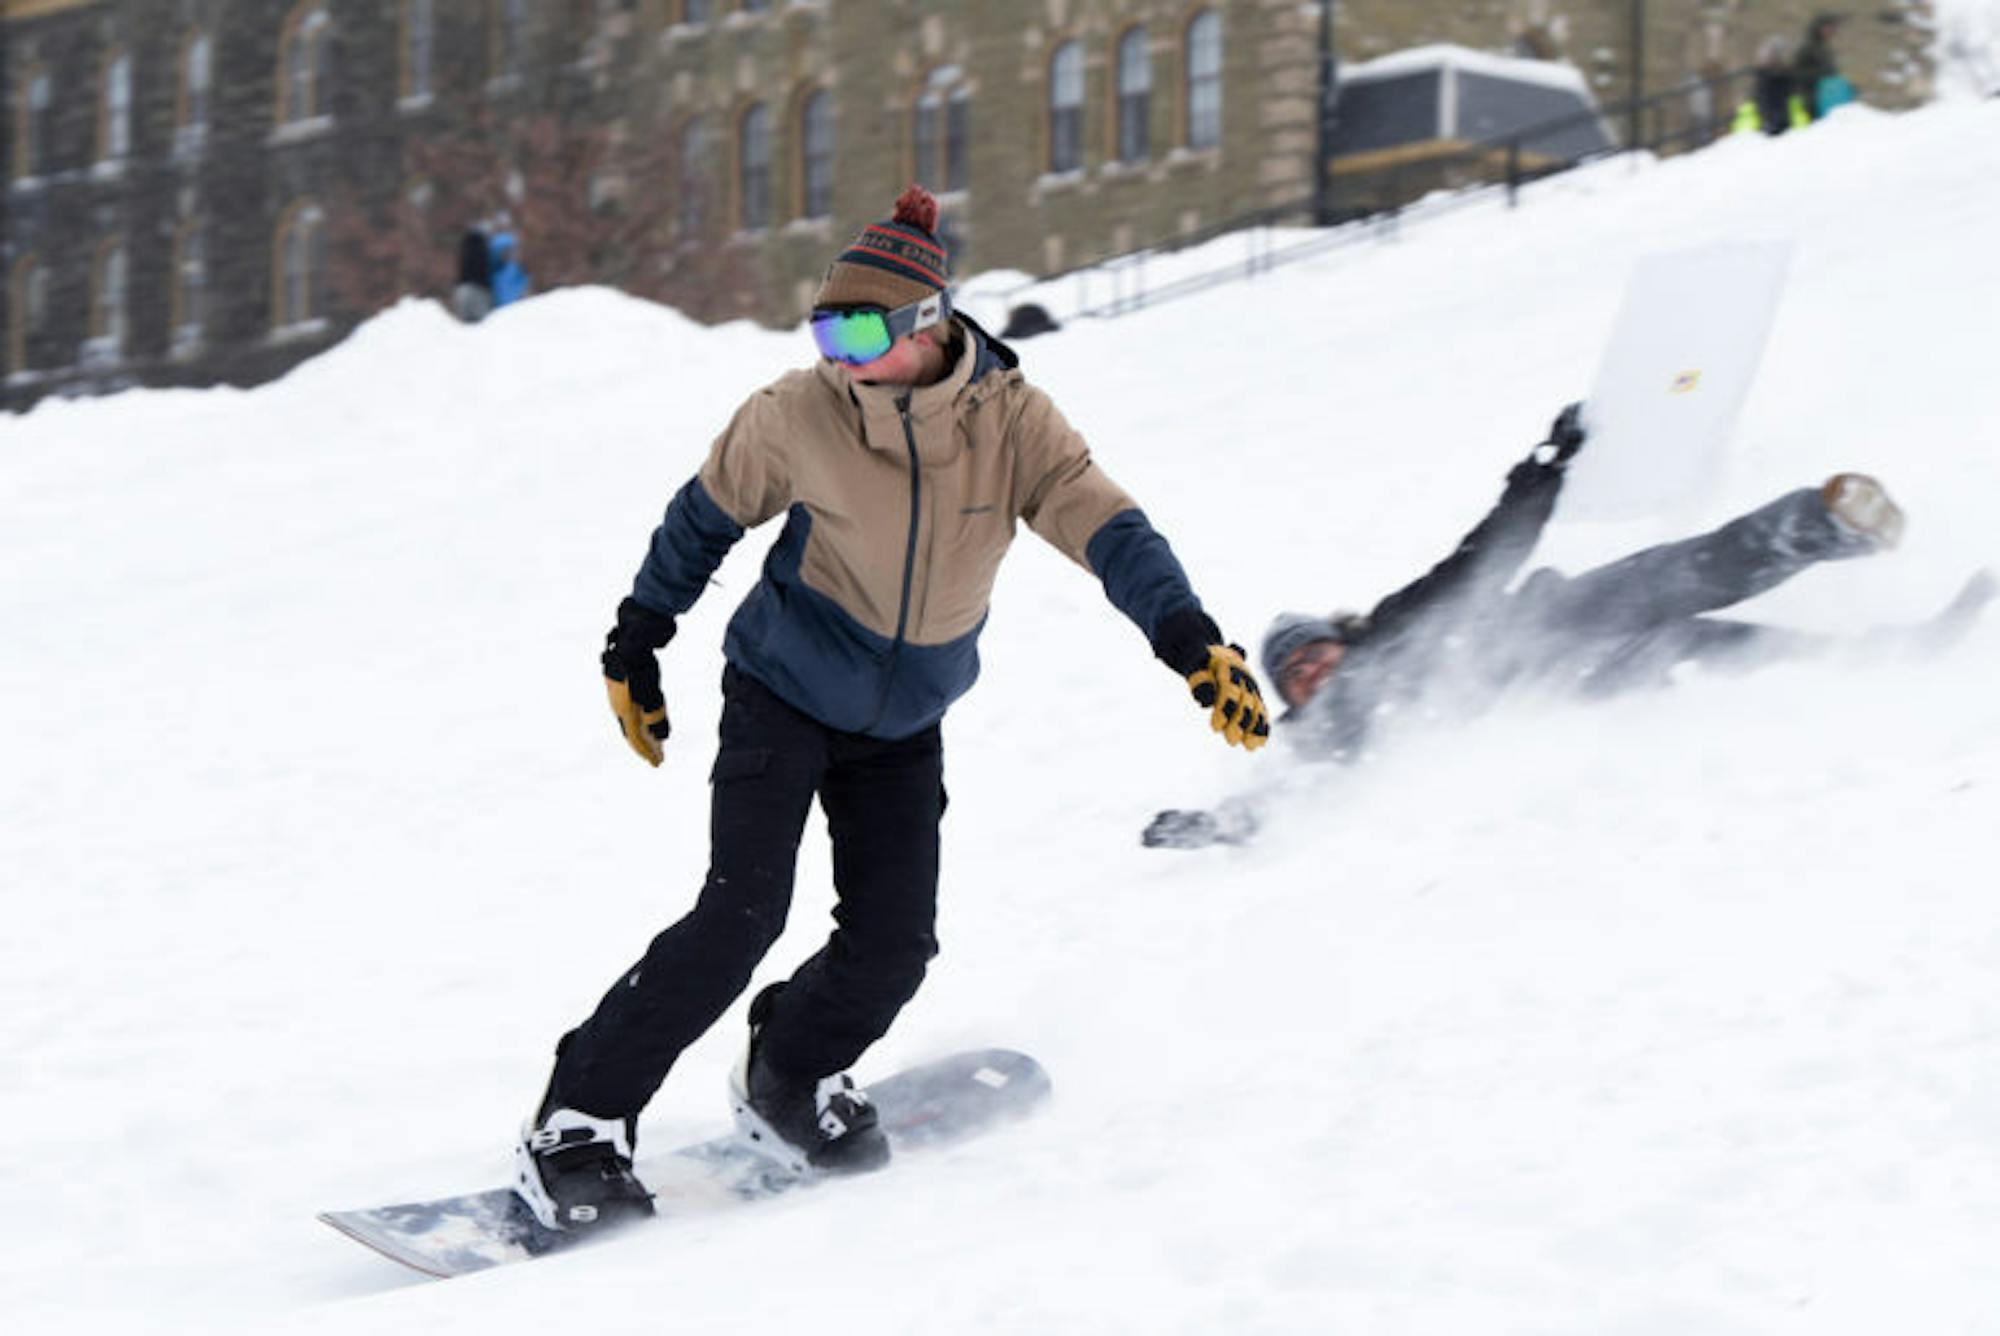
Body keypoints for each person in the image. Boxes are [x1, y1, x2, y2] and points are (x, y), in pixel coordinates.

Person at [512, 184, 1270, 1235]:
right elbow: (699, 522)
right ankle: (578, 1119)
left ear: (927, 325)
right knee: (738, 918)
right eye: (823, 326)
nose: (836, 351)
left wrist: (1188, 638)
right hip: (781, 688)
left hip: (905, 717)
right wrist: (637, 637)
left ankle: (790, 1069)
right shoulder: (795, 413)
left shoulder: (1013, 422)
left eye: (857, 328)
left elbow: (1109, 529)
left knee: (894, 943)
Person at [1142, 405, 1993, 849]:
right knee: (1695, 650)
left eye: (1314, 655)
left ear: (1340, 638)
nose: (1311, 674)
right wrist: (1216, 827)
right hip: (1541, 684)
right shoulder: (1326, 732)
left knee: (1682, 568)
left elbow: (1482, 559)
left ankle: (1829, 523)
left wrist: (1545, 468)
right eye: (1294, 677)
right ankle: (1897, 652)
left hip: (1547, 619)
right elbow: (1293, 799)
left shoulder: (1395, 631)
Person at [1793, 13, 1845, 121]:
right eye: (1828, 27)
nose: (1832, 31)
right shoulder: (1807, 47)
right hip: (1810, 98)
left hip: (1825, 97)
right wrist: (1821, 74)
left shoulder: (1823, 47)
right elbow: (1796, 73)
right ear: (1818, 28)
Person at [451, 226, 494, 323]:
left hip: (462, 289)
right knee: (481, 327)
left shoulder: (464, 250)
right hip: (479, 290)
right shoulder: (483, 249)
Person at [488, 231, 532, 308]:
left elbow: (525, 287)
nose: (509, 254)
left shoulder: (517, 269)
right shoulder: (492, 274)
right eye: (505, 251)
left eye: (511, 250)